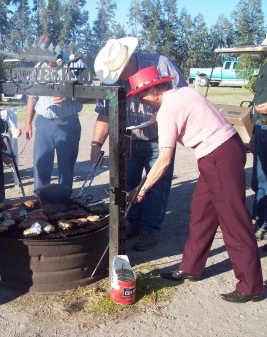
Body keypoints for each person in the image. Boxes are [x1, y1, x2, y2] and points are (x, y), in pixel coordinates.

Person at [126, 66, 264, 303]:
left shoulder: (168, 110)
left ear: (156, 88)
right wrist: (157, 119)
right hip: (222, 150)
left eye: (142, 95)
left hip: (219, 155)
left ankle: (251, 285)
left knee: (233, 220)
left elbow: (164, 160)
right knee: (201, 211)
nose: (142, 101)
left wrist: (142, 189)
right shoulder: (183, 93)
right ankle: (191, 267)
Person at [92, 37, 188, 251]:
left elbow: (182, 99)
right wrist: (95, 144)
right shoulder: (111, 78)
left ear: (128, 61)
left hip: (159, 137)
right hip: (129, 138)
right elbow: (105, 113)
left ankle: (150, 230)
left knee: (156, 185)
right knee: (128, 183)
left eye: (120, 72)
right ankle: (133, 224)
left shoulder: (161, 64)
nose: (118, 78)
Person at [23, 34, 86, 191]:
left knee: (66, 168)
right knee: (41, 165)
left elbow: (91, 95)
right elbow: (32, 96)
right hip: (44, 124)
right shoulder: (38, 69)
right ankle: (41, 202)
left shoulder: (76, 65)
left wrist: (70, 97)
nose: (46, 62)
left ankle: (64, 204)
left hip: (68, 124)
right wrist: (27, 123)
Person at [249, 56, 267, 242]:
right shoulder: (265, 63)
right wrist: (254, 132)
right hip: (262, 127)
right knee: (259, 180)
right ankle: (260, 221)